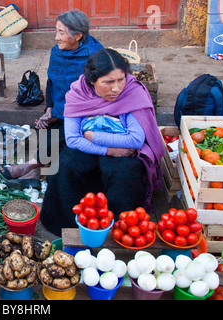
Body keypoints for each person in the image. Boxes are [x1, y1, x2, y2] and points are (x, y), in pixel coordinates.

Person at [39, 48, 165, 236]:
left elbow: (136, 139)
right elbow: (73, 139)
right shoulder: (77, 93)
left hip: (123, 145)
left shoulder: (132, 92)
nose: (116, 88)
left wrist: (93, 136)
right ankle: (69, 226)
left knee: (126, 170)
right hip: (93, 146)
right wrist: (108, 150)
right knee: (67, 163)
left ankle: (118, 227)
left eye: (120, 79)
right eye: (108, 82)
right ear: (92, 82)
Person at [0, 10, 103, 184]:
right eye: (57, 31)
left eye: (61, 33)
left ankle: (30, 166)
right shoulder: (58, 52)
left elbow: (95, 96)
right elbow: (52, 83)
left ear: (77, 35)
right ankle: (34, 171)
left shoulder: (95, 56)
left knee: (62, 130)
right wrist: (49, 110)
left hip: (87, 113)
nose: (56, 37)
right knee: (48, 128)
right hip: (61, 109)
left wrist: (57, 115)